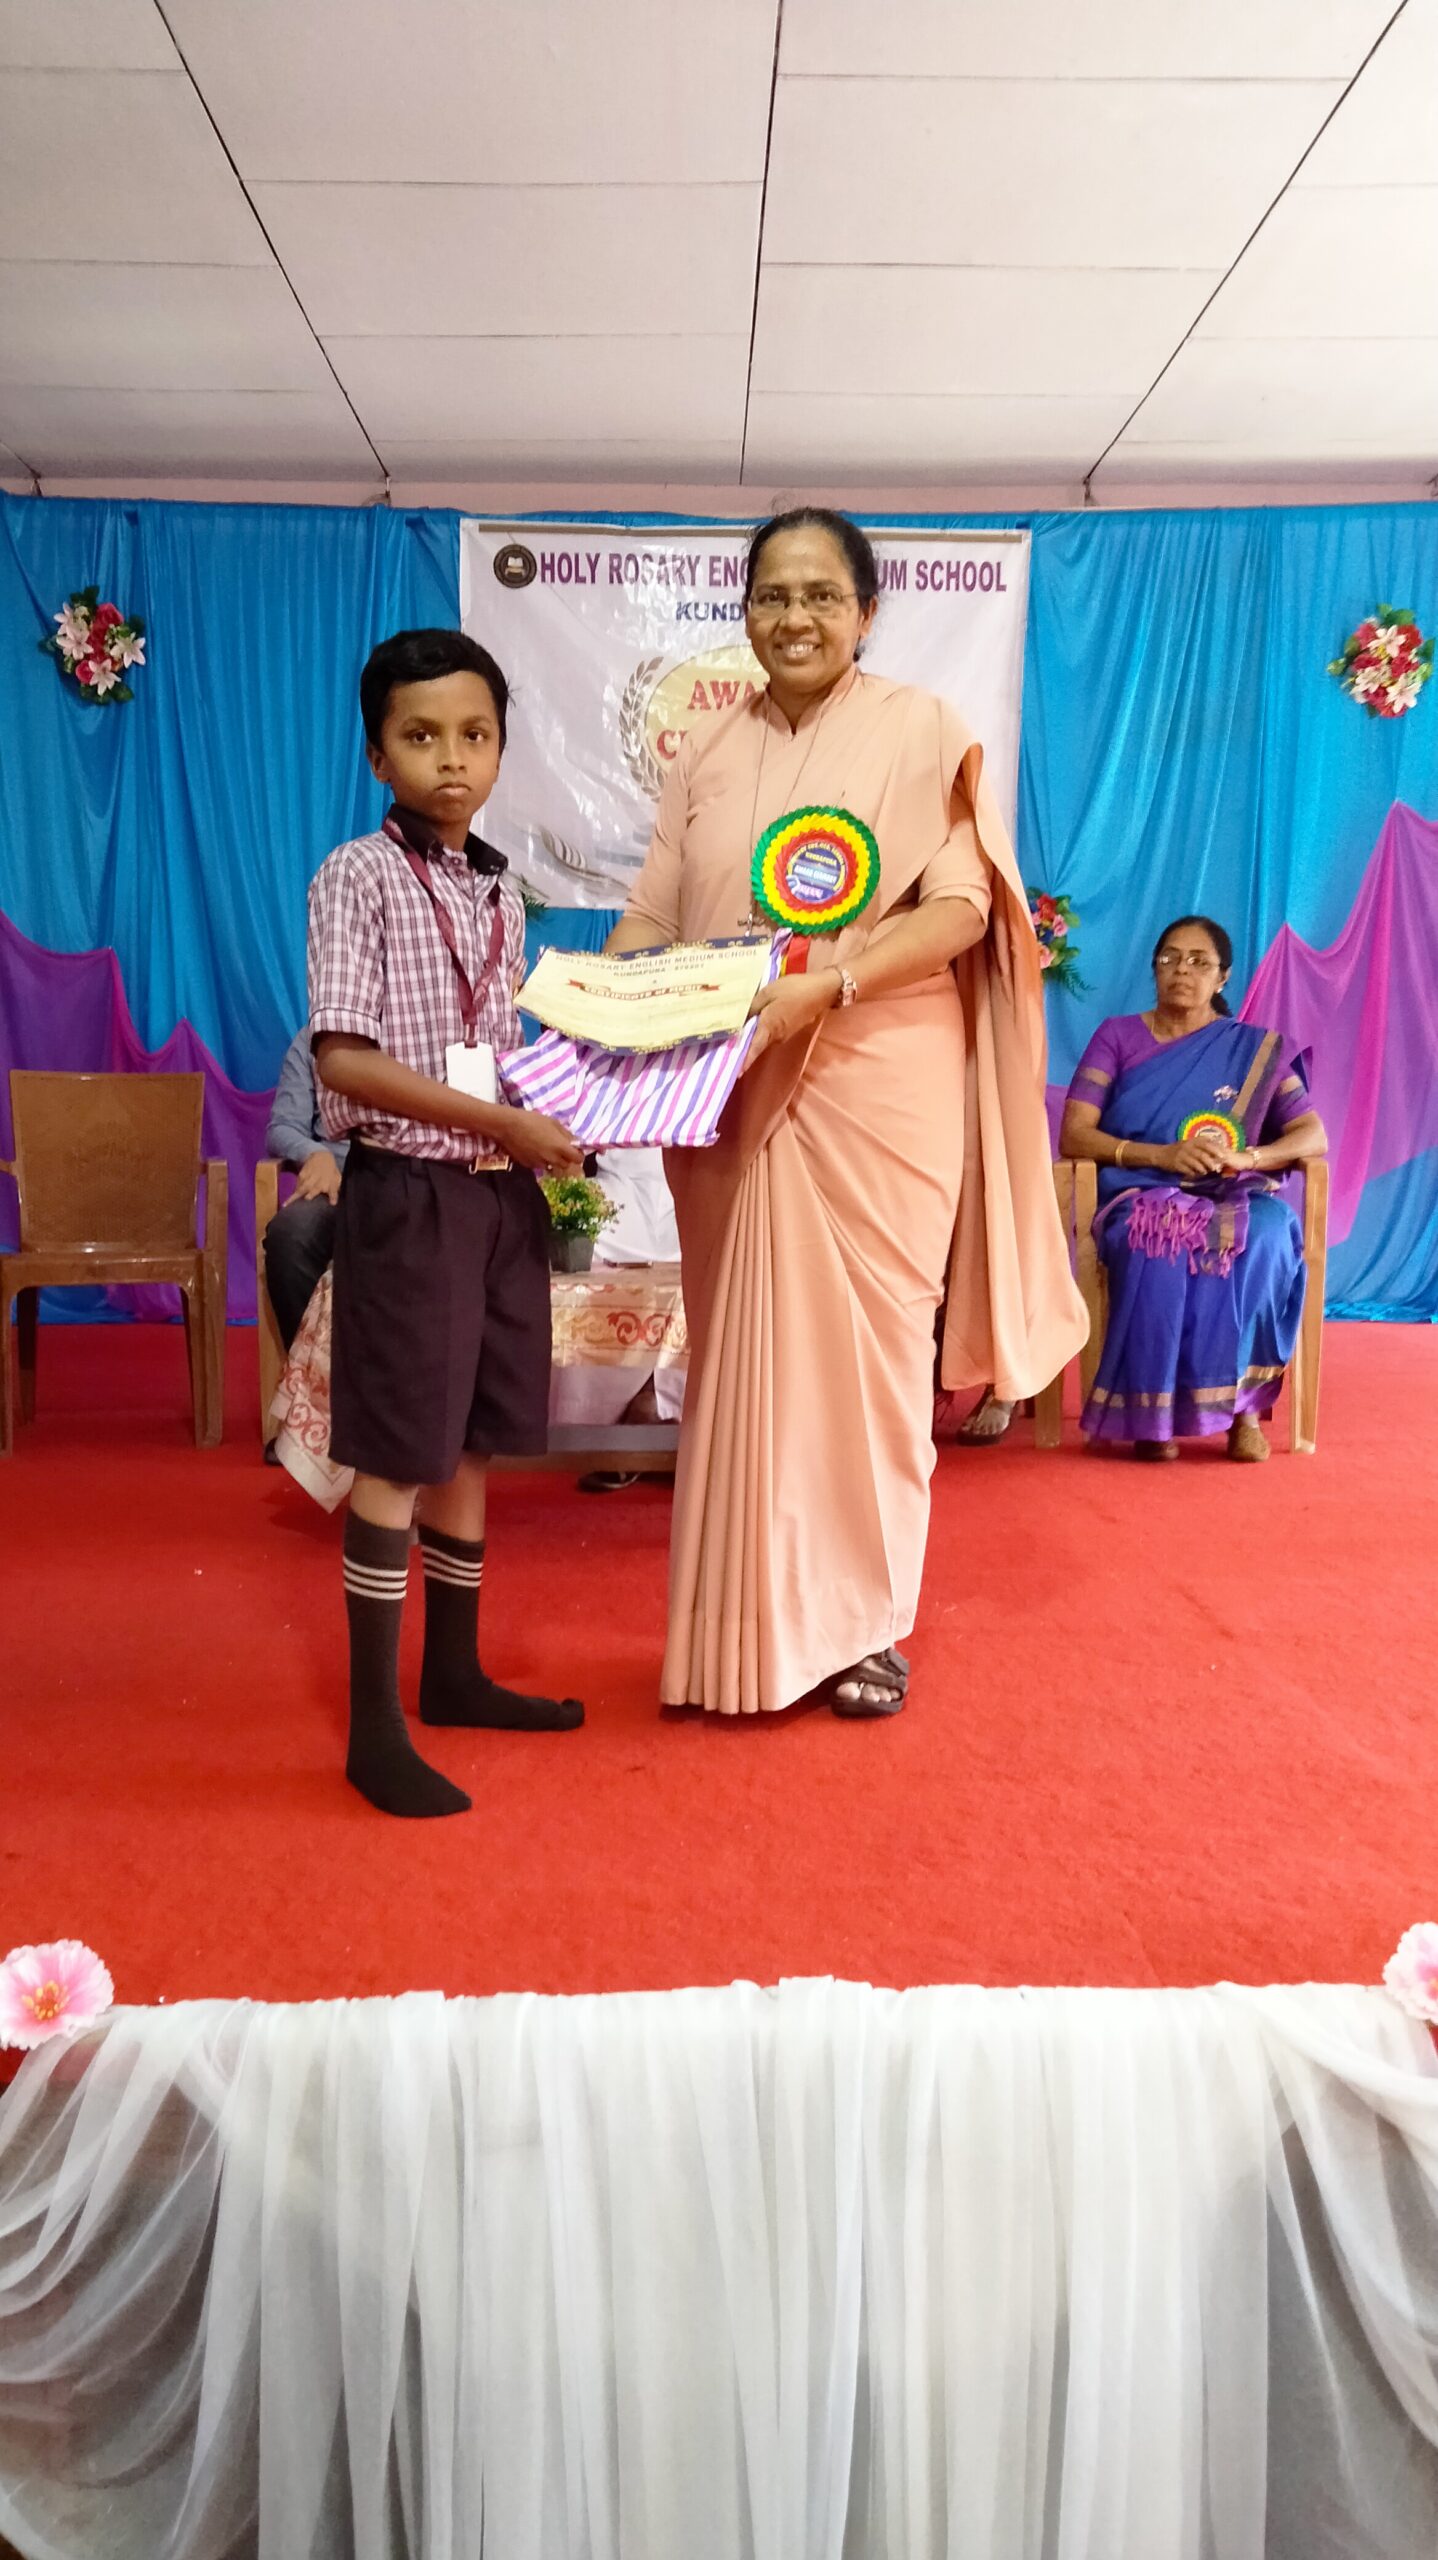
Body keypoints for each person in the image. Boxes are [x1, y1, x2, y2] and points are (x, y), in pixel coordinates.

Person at [607, 508, 1085, 1717]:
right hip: (730, 1089)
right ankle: (737, 1633)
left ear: (867, 613)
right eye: (772, 595)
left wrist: (832, 986)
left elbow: (960, 909)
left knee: (871, 1366)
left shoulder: (922, 728)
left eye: (822, 595)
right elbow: (653, 914)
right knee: (742, 1366)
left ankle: (866, 1625)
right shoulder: (707, 754)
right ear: (744, 612)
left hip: (876, 1082)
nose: (795, 617)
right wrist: (596, 1012)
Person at [308, 628, 585, 1816]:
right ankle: (374, 1730)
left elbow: (496, 1050)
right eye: (421, 737)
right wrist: (505, 1123)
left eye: (475, 734)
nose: (452, 759)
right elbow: (344, 1058)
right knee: (399, 1451)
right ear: (378, 756)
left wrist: (571, 1107)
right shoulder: (355, 876)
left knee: (472, 1438)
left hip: (494, 1196)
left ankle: (455, 1671)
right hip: (410, 1197)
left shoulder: (498, 891)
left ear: (502, 747)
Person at [1059, 914, 1327, 1460]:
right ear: (1154, 969)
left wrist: (1248, 1157)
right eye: (1170, 959)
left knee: (1267, 1237)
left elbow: (1312, 1134)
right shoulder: (1118, 1036)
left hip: (1235, 1191)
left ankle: (1243, 1413)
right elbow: (1075, 1132)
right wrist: (1159, 1155)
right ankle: (1152, 1418)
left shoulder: (1252, 1050)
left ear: (1223, 977)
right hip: (1141, 1190)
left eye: (1199, 961)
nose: (1182, 970)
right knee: (1159, 1235)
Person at [262, 1028, 348, 1350]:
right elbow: (283, 1126)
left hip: (412, 1181)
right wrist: (314, 1153)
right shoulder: (312, 1040)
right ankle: (313, 1367)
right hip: (338, 1185)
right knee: (291, 1234)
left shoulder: (426, 1028)